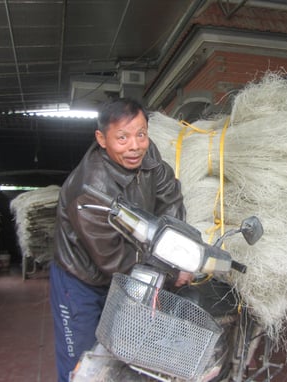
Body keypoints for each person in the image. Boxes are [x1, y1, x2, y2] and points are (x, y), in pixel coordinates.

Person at [49, 97, 189, 381]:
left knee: (125, 353)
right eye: (122, 138)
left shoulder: (148, 157)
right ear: (101, 138)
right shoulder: (89, 190)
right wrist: (171, 272)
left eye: (141, 134)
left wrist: (180, 252)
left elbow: (170, 202)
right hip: (82, 279)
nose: (135, 146)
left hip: (130, 267)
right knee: (83, 363)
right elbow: (114, 260)